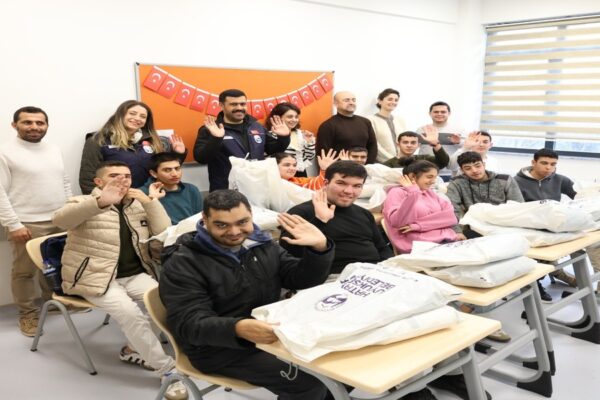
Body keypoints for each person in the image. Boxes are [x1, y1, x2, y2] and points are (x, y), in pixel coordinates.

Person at [159, 190, 336, 400]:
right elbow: (188, 324)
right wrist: (238, 328)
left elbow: (299, 279)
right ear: (204, 220)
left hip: (270, 333)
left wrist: (319, 249)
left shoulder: (259, 243)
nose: (234, 232)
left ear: (251, 215)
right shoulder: (183, 263)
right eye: (221, 225)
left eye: (242, 222)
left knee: (336, 374)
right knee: (311, 386)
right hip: (217, 350)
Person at [53, 161, 186, 400]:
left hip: (134, 274)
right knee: (130, 314)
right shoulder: (81, 202)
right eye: (114, 175)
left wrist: (150, 202)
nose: (122, 180)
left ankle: (133, 349)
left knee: (168, 300)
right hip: (95, 277)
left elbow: (163, 230)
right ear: (99, 182)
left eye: (127, 176)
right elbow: (61, 221)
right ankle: (166, 370)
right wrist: (101, 202)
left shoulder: (136, 203)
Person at [0, 106, 82, 337]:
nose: (34, 127)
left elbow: (63, 181)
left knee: (53, 264)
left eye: (39, 123)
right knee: (24, 272)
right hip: (26, 222)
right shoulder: (4, 152)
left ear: (46, 125)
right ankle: (28, 315)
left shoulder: (53, 149)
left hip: (58, 218)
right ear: (14, 125)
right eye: (27, 122)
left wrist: (70, 210)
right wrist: (13, 224)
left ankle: (55, 302)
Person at [280, 161, 393, 276]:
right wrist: (320, 221)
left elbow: (382, 248)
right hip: (334, 277)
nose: (348, 191)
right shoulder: (301, 212)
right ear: (326, 183)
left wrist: (387, 269)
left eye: (357, 186)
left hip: (376, 272)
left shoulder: (364, 213)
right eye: (341, 183)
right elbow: (289, 256)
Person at [79, 100, 187, 194]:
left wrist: (179, 154)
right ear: (120, 115)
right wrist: (100, 203)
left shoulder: (152, 140)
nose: (137, 118)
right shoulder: (98, 140)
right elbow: (87, 178)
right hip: (115, 200)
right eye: (132, 113)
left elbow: (164, 170)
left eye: (143, 116)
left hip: (149, 196)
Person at [194, 89, 291, 191]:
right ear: (222, 106)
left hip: (257, 187)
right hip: (226, 190)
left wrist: (283, 138)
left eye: (242, 104)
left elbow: (272, 150)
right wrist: (216, 139)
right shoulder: (211, 129)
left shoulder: (256, 126)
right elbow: (201, 158)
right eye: (233, 104)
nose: (239, 108)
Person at [514, 148, 578, 299]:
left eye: (553, 164)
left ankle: (553, 270)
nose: (549, 167)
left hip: (553, 226)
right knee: (536, 254)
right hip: (528, 227)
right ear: (533, 162)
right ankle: (535, 284)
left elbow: (580, 197)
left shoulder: (561, 180)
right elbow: (516, 210)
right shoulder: (516, 181)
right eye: (544, 163)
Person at [383, 159, 463, 254]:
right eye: (429, 177)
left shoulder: (430, 193)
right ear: (412, 176)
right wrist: (413, 192)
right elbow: (398, 222)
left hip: (447, 240)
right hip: (418, 246)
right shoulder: (396, 192)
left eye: (435, 177)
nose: (433, 181)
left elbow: (451, 217)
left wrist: (418, 225)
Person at [446, 151, 524, 239]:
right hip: (475, 227)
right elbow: (451, 209)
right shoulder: (457, 183)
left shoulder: (505, 179)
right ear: (462, 170)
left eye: (478, 166)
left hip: (505, 224)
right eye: (468, 168)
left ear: (484, 165)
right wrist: (457, 231)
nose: (474, 170)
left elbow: (518, 205)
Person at [140, 152, 202, 225]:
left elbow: (200, 220)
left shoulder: (191, 189)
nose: (175, 174)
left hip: (190, 230)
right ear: (154, 173)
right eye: (167, 170)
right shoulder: (142, 193)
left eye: (177, 168)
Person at [316, 91, 378, 164]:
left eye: (353, 100)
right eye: (346, 100)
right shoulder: (328, 126)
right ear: (336, 104)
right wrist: (342, 167)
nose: (351, 102)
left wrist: (366, 166)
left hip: (364, 167)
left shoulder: (365, 122)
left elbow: (373, 146)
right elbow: (324, 154)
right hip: (339, 168)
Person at [266, 102, 317, 177]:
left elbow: (309, 157)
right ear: (278, 117)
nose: (294, 120)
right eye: (290, 117)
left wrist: (309, 143)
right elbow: (269, 158)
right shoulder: (271, 135)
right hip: (281, 175)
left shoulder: (301, 134)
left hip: (301, 174)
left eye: (296, 117)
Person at [417, 102, 464, 181]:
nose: (439, 114)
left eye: (443, 112)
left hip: (449, 172)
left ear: (449, 113)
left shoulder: (459, 130)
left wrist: (458, 142)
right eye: (436, 112)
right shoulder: (421, 129)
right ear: (430, 113)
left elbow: (466, 148)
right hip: (424, 171)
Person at [367, 88, 407, 163]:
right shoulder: (371, 120)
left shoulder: (400, 120)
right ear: (380, 101)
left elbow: (406, 141)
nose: (393, 102)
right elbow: (375, 144)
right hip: (382, 162)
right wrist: (392, 160)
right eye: (390, 99)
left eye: (396, 100)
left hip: (402, 161)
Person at [275, 149, 341, 190]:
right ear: (274, 166)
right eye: (287, 165)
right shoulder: (270, 184)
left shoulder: (298, 181)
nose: (292, 168)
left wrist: (324, 170)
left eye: (294, 165)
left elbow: (317, 186)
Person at [383, 128, 449, 170]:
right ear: (398, 145)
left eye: (413, 143)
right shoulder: (387, 165)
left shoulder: (425, 159)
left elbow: (443, 162)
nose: (409, 145)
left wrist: (436, 144)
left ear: (418, 145)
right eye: (405, 142)